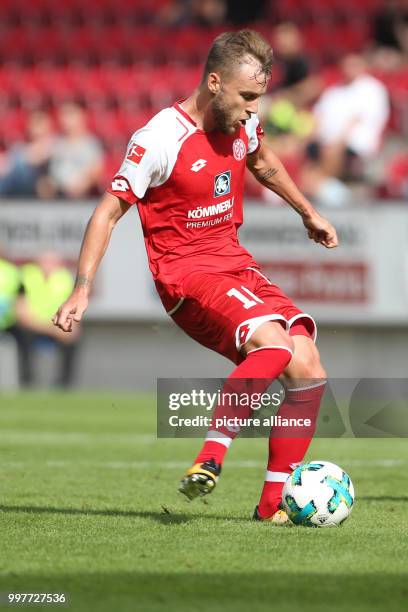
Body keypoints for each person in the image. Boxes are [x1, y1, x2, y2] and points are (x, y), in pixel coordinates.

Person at [53, 30, 338, 523]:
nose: (253, 109)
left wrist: (307, 212)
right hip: (185, 276)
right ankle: (211, 456)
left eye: (259, 98)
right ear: (213, 83)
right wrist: (81, 289)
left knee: (308, 367)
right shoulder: (159, 138)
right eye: (247, 97)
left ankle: (272, 506)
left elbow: (263, 162)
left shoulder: (242, 124)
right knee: (271, 345)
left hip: (235, 264)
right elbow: (107, 213)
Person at [16, 252, 80, 387]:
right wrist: (51, 329)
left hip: (56, 326)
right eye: (45, 262)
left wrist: (70, 329)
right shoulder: (26, 277)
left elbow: (72, 312)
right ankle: (27, 382)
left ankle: (64, 385)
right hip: (33, 326)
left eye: (52, 263)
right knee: (23, 336)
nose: (48, 267)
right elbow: (22, 315)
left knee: (72, 339)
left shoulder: (65, 279)